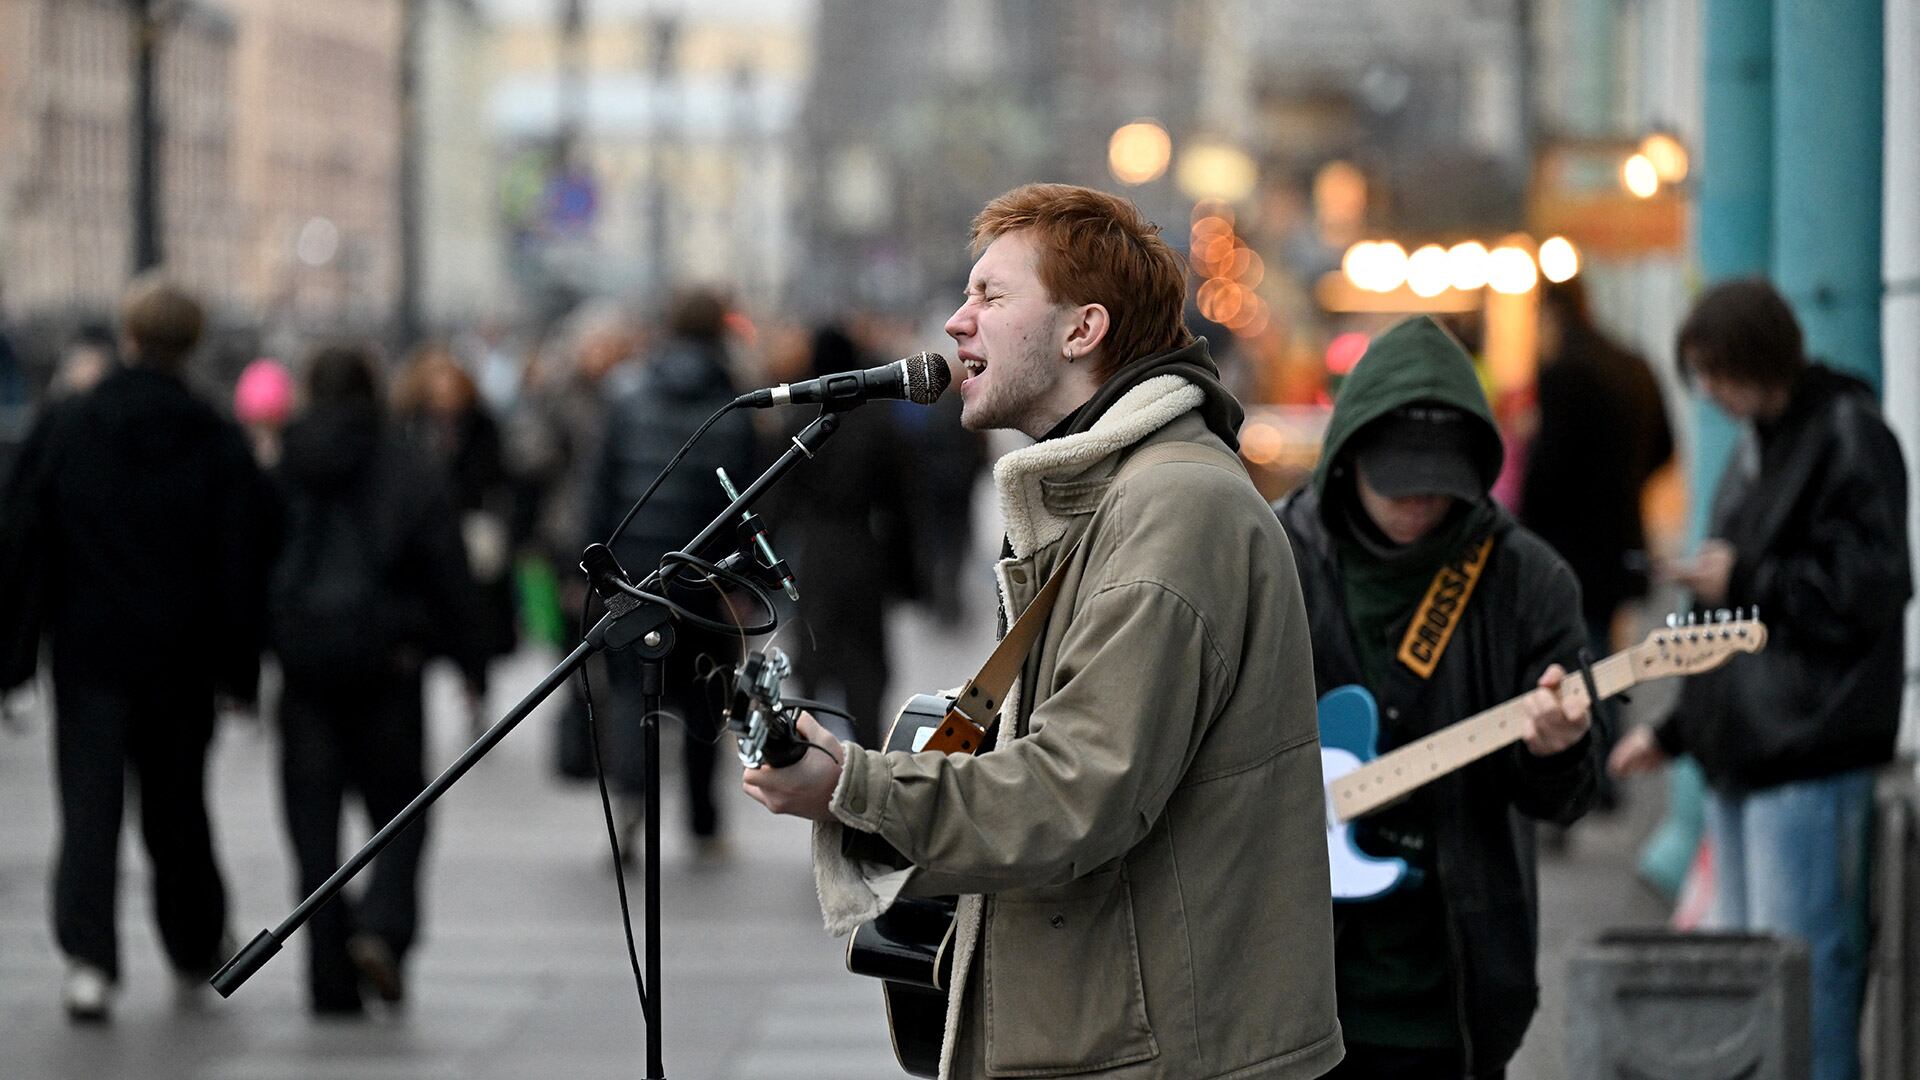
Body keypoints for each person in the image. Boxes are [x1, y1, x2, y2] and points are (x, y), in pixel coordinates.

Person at [744, 183, 1343, 1080]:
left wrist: (854, 788)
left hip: (1162, 1051)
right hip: (1112, 1030)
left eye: (990, 296)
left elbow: (1078, 792)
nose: (957, 322)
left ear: (1082, 329)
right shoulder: (1108, 495)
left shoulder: (1174, 507)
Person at [1275, 315, 1599, 1080]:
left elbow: (1569, 798)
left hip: (1451, 991)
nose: (1421, 500)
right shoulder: (1270, 555)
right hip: (1285, 988)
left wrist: (1559, 752)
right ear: (1349, 457)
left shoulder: (1527, 579)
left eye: (1441, 481)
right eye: (1400, 479)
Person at [1610, 278, 1910, 1080]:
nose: (1708, 389)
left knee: (1799, 972)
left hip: (1809, 748)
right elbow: (1739, 620)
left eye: (1716, 370)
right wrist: (1676, 731)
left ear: (1757, 357)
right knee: (1763, 974)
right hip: (1756, 747)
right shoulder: (1765, 443)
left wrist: (1746, 578)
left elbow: (1869, 589)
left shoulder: (1845, 434)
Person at [0, 274, 277, 1022]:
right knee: (178, 806)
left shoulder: (71, 423)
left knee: (89, 808)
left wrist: (15, 657)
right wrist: (241, 671)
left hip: (89, 650)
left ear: (128, 334)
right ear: (193, 342)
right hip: (181, 658)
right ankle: (194, 941)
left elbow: (25, 540)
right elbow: (241, 561)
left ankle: (90, 959)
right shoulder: (214, 436)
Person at [270, 344, 489, 1015]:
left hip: (305, 667)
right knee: (401, 810)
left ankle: (328, 980)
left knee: (313, 827)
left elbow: (246, 558)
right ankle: (384, 926)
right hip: (389, 662)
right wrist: (470, 659)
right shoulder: (405, 463)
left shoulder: (284, 462)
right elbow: (445, 564)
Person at [586, 288, 757, 859]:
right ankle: (704, 823)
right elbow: (748, 504)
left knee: (632, 694)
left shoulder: (627, 395)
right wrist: (742, 581)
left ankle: (631, 803)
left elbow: (600, 488)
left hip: (633, 577)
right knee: (706, 694)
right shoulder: (733, 405)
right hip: (706, 579)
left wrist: (590, 568)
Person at [766, 322, 913, 747]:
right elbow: (902, 503)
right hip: (863, 550)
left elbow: (777, 500)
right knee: (864, 667)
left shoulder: (801, 419)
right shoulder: (878, 421)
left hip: (815, 554)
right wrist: (906, 575)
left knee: (814, 655)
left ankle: (809, 748)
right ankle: (866, 750)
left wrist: (760, 567)